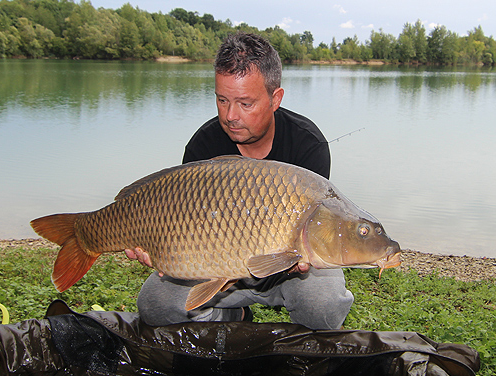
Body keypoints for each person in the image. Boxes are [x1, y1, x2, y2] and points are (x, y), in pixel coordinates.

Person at [126, 32, 353, 330]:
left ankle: (294, 351)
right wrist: (159, 247)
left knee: (323, 305)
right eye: (222, 100)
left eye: (245, 103)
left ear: (275, 98)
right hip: (215, 266)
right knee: (156, 304)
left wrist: (303, 255)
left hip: (289, 273)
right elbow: (184, 225)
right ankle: (233, 317)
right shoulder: (203, 146)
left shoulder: (307, 145)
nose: (231, 116)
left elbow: (317, 232)